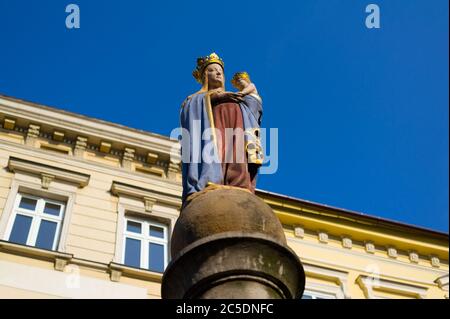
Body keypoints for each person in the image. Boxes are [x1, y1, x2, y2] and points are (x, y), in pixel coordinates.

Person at [179, 53, 263, 204]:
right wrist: (215, 97)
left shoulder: (236, 97)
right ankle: (212, 179)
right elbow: (188, 113)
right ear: (205, 75)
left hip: (236, 132)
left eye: (220, 71)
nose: (218, 73)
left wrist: (250, 94)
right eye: (212, 70)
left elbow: (253, 107)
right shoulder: (195, 99)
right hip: (212, 134)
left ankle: (237, 182)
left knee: (237, 154)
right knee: (217, 151)